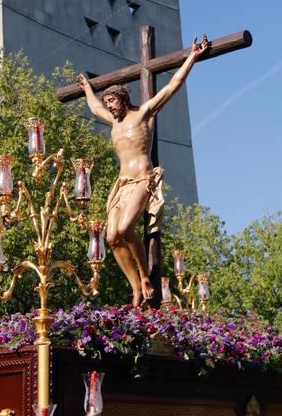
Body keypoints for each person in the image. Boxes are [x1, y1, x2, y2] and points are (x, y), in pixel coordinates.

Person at [77, 34, 209, 306]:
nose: (110, 107)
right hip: (122, 183)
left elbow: (172, 86)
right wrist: (88, 89)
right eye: (108, 103)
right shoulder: (113, 123)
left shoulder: (143, 114)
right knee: (111, 236)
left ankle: (147, 277)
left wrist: (192, 57)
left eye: (112, 102)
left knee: (126, 228)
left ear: (122, 99)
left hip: (142, 180)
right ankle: (135, 286)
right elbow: (93, 107)